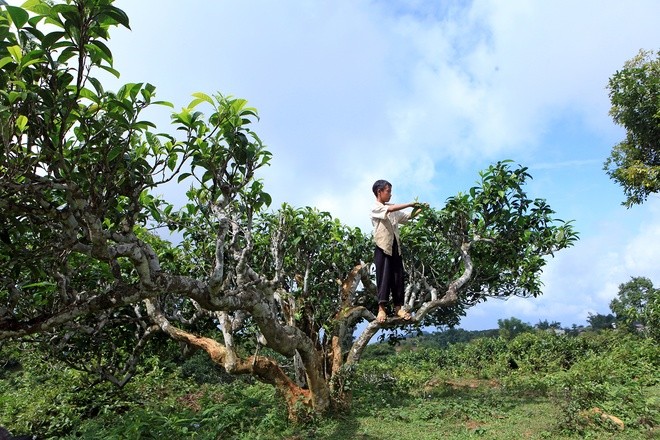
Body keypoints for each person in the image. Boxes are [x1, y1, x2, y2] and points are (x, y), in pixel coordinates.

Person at [370, 179, 426, 323]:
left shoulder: (392, 208)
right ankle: (381, 309)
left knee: (398, 277)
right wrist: (410, 204)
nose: (390, 194)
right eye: (388, 191)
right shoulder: (375, 207)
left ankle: (398, 308)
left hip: (395, 247)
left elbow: (407, 217)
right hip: (383, 247)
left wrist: (421, 209)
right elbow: (390, 210)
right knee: (383, 278)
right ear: (379, 192)